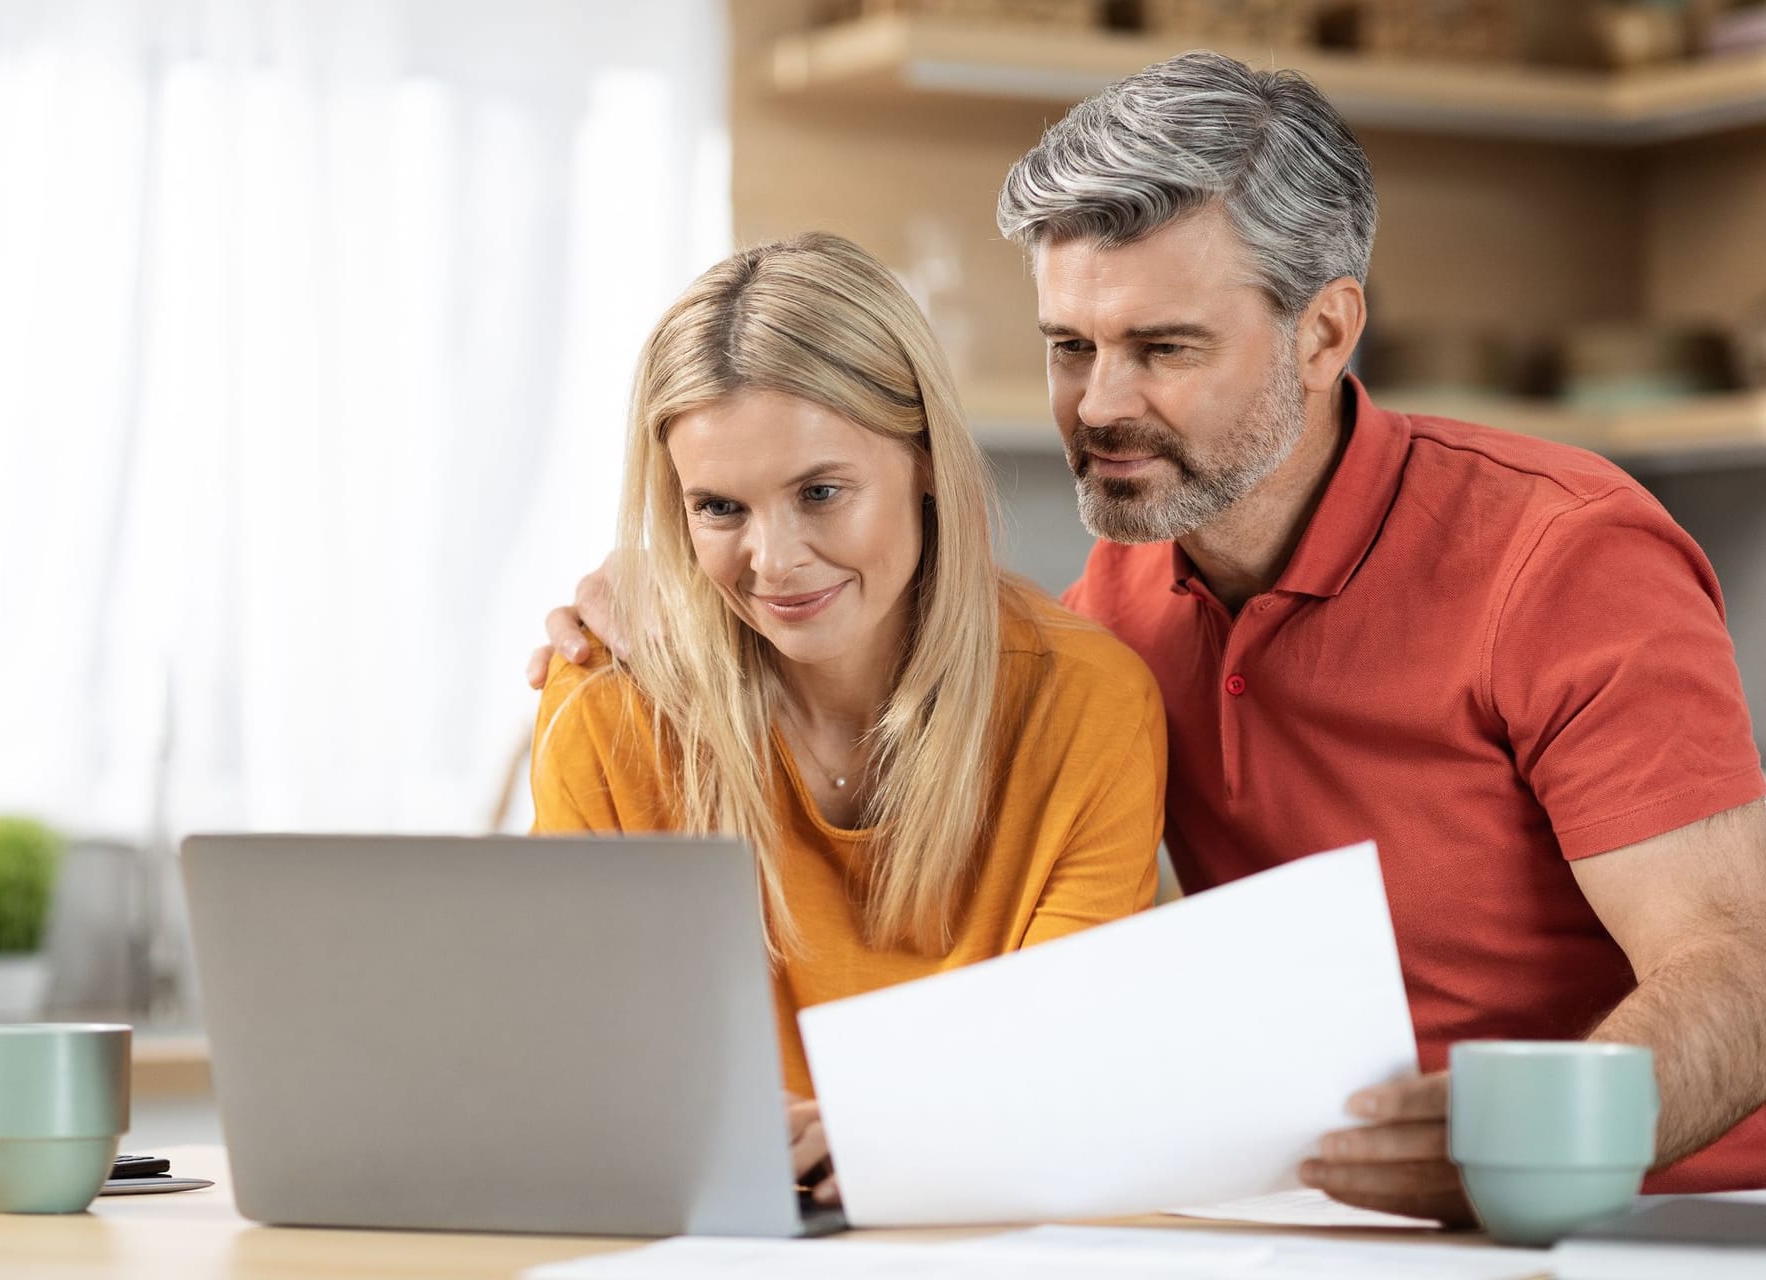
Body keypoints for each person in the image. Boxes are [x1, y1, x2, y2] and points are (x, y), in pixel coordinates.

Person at [533, 55, 1766, 1222]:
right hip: (1329, 1217)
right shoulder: (1116, 609)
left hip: (1661, 1212)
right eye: (1071, 347)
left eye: (1165, 348)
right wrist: (668, 590)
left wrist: (1523, 1148)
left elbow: (1743, 967)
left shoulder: (1561, 557)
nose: (1103, 404)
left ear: (1327, 334)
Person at [527, 231, 1166, 1203]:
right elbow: (570, 1074)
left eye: (820, 491)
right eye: (719, 507)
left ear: (923, 461)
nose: (773, 561)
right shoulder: (609, 709)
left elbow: (1062, 1081)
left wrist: (884, 1136)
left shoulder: (1086, 706)